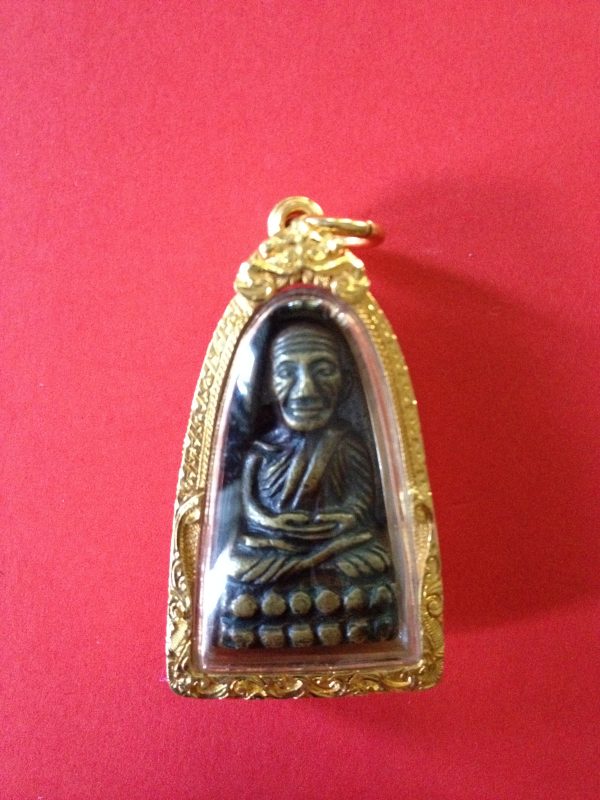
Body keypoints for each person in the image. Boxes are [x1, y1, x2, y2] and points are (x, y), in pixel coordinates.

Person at [217, 322, 398, 649]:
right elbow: (250, 508)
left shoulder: (346, 444)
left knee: (375, 557)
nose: (306, 391)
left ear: (345, 383)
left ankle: (281, 608)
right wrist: (273, 524)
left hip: (336, 544)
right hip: (273, 545)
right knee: (234, 566)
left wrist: (342, 521)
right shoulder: (260, 451)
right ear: (268, 385)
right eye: (287, 372)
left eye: (323, 371)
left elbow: (361, 504)